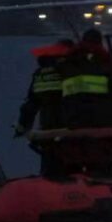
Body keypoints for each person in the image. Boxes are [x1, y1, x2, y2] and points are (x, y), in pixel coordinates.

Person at [15, 39, 73, 174]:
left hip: (48, 127)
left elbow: (31, 105)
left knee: (50, 167)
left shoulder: (41, 74)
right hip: (74, 126)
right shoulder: (72, 71)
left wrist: (22, 127)